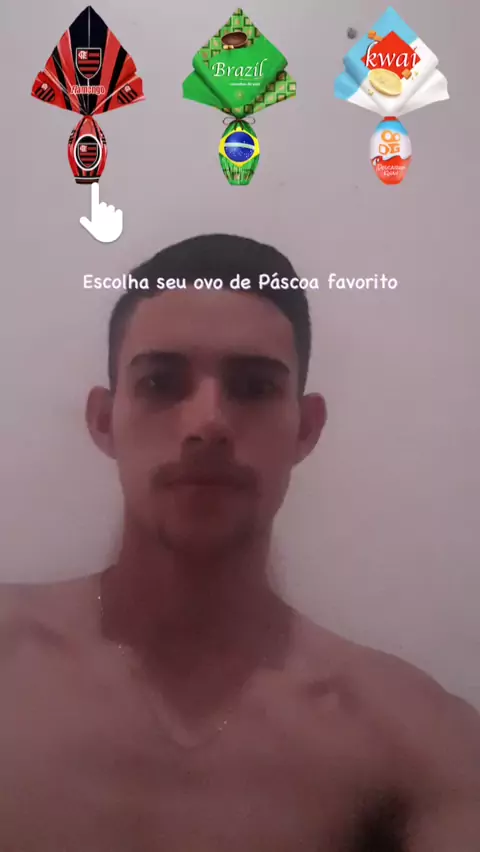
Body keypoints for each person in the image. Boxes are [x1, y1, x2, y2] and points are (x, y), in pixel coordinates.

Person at [0, 234, 479, 851]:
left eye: (253, 388)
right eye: (161, 383)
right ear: (103, 421)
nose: (208, 423)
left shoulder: (413, 739)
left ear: (305, 429)